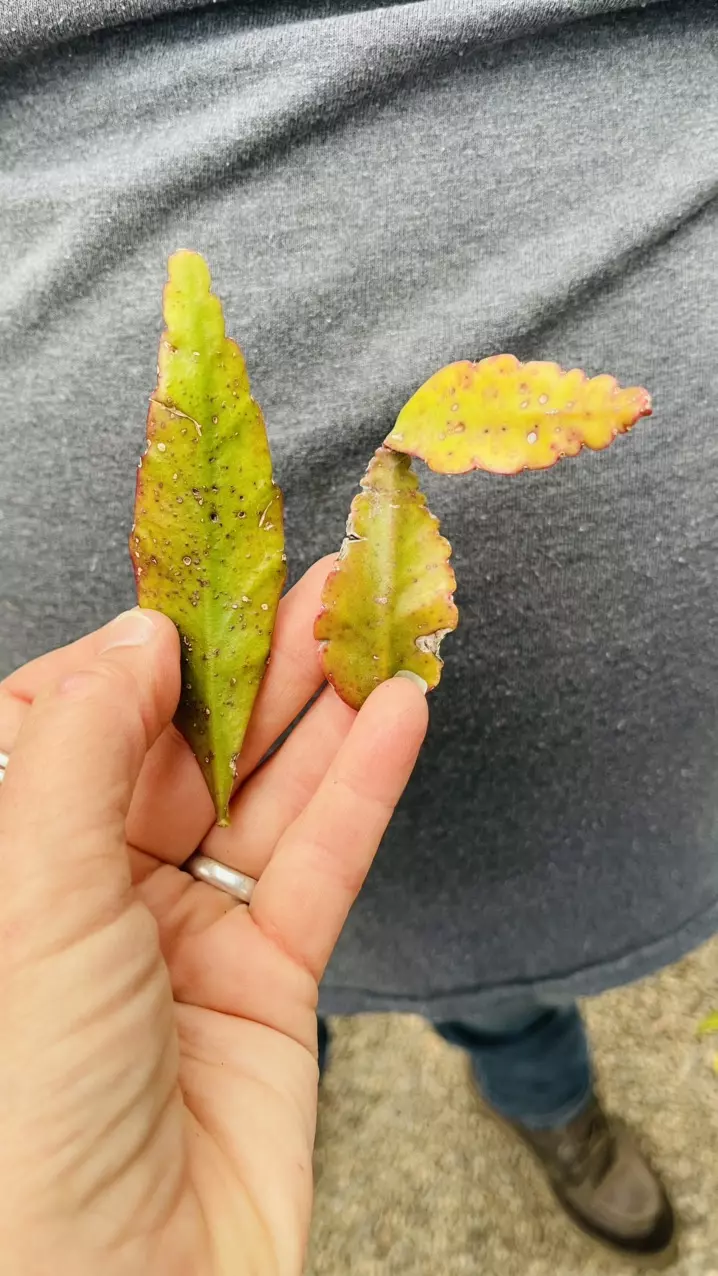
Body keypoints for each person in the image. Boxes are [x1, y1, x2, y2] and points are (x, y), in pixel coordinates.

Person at [2, 0, 716, 1265]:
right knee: (220, 989)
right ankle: (250, 1101)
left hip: (542, 836)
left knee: (508, 998)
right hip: (158, 830)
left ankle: (547, 1107)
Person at [0, 567, 429, 1273]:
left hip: (288, 900)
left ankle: (547, 1102)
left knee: (509, 1016)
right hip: (261, 925)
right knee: (308, 1013)